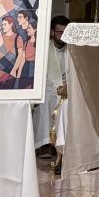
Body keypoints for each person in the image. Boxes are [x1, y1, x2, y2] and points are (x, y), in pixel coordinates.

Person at [35, 15, 68, 162]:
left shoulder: (72, 49)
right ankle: (45, 144)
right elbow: (41, 74)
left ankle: (63, 144)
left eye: (65, 32)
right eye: (59, 32)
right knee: (46, 99)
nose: (62, 36)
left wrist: (67, 87)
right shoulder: (43, 48)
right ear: (52, 32)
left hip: (68, 89)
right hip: (48, 87)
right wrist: (56, 87)